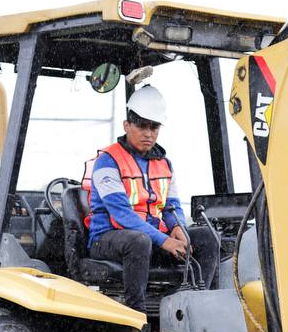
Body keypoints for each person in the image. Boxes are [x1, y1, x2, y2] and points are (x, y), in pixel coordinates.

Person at [83, 85, 219, 312]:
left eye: (154, 127)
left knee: (207, 237)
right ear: (127, 125)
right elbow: (121, 215)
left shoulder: (164, 164)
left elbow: (171, 205)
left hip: (149, 238)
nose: (148, 133)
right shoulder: (107, 161)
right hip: (107, 239)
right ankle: (138, 317)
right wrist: (165, 241)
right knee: (138, 241)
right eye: (141, 125)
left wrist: (178, 229)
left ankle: (196, 309)